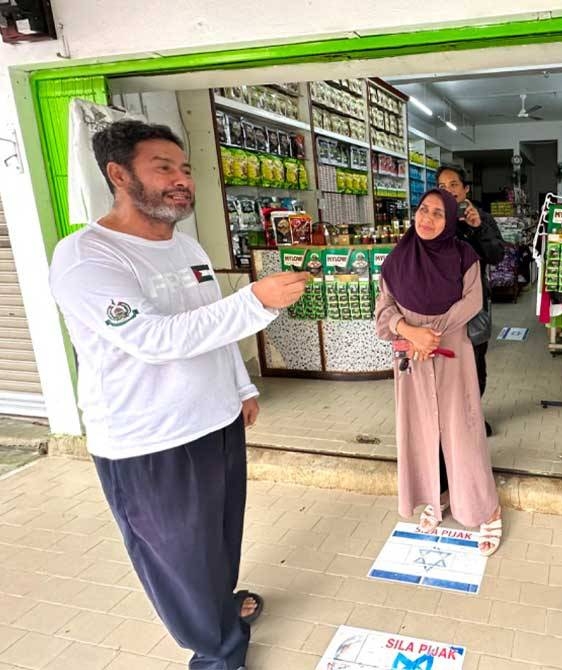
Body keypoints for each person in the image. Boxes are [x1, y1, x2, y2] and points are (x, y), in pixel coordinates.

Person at [48, 120, 310, 670]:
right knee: (177, 558)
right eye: (163, 168)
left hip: (215, 422)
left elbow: (207, 329)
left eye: (185, 168)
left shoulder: (185, 244)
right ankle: (215, 654)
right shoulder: (87, 258)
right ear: (118, 175)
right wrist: (256, 301)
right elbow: (153, 339)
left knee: (219, 539)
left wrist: (240, 386)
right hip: (149, 440)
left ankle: (217, 610)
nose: (182, 180)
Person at [375, 188, 503, 556]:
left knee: (463, 431)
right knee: (421, 433)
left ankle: (486, 507)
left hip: (452, 357)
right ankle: (437, 495)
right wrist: (410, 332)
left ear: (450, 220)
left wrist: (432, 334)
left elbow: (472, 301)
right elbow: (382, 315)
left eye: (437, 213)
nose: (427, 219)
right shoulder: (396, 260)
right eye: (422, 210)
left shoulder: (464, 256)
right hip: (411, 362)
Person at [436, 166, 506, 436]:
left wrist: (477, 229)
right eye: (442, 186)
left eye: (453, 184)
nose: (448, 190)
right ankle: (447, 418)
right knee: (444, 363)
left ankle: (473, 414)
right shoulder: (433, 219)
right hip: (439, 308)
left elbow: (497, 255)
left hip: (475, 305)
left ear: (465, 189)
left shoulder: (483, 218)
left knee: (475, 361)